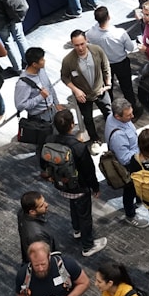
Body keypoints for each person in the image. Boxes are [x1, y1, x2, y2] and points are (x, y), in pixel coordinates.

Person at [49, 108, 107, 255]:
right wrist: (95, 187)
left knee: (73, 206)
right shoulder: (79, 147)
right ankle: (88, 246)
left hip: (62, 184)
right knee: (85, 215)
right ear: (72, 125)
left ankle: (77, 230)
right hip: (79, 188)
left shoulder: (50, 141)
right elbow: (89, 171)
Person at [61, 29, 111, 154]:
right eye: (76, 45)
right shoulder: (68, 60)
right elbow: (64, 77)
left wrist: (108, 83)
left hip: (100, 90)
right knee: (87, 119)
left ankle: (113, 133)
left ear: (86, 40)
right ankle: (95, 139)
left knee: (109, 113)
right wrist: (75, 90)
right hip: (83, 96)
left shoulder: (97, 50)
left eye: (82, 44)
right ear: (72, 44)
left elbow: (105, 65)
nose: (80, 48)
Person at [103, 98, 149, 229]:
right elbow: (124, 159)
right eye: (129, 115)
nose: (133, 116)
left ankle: (140, 199)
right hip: (129, 166)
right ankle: (130, 215)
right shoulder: (118, 136)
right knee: (130, 190)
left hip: (135, 156)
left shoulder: (113, 117)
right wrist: (142, 153)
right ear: (117, 116)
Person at [86, 5, 138, 110]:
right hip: (121, 63)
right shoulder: (120, 33)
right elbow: (131, 48)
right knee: (127, 87)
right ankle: (133, 109)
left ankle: (110, 111)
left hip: (104, 65)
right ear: (108, 17)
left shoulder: (90, 34)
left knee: (107, 90)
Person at [14, 45, 63, 139]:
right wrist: (40, 97)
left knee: (56, 136)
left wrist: (56, 103)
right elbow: (20, 105)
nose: (44, 61)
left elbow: (49, 86)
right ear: (34, 64)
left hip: (52, 111)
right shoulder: (22, 84)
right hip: (38, 117)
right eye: (42, 59)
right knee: (44, 140)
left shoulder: (41, 70)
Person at [17, 191, 56, 263]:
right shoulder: (37, 235)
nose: (46, 205)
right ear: (32, 212)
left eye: (44, 201)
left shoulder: (22, 212)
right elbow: (43, 256)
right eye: (41, 206)